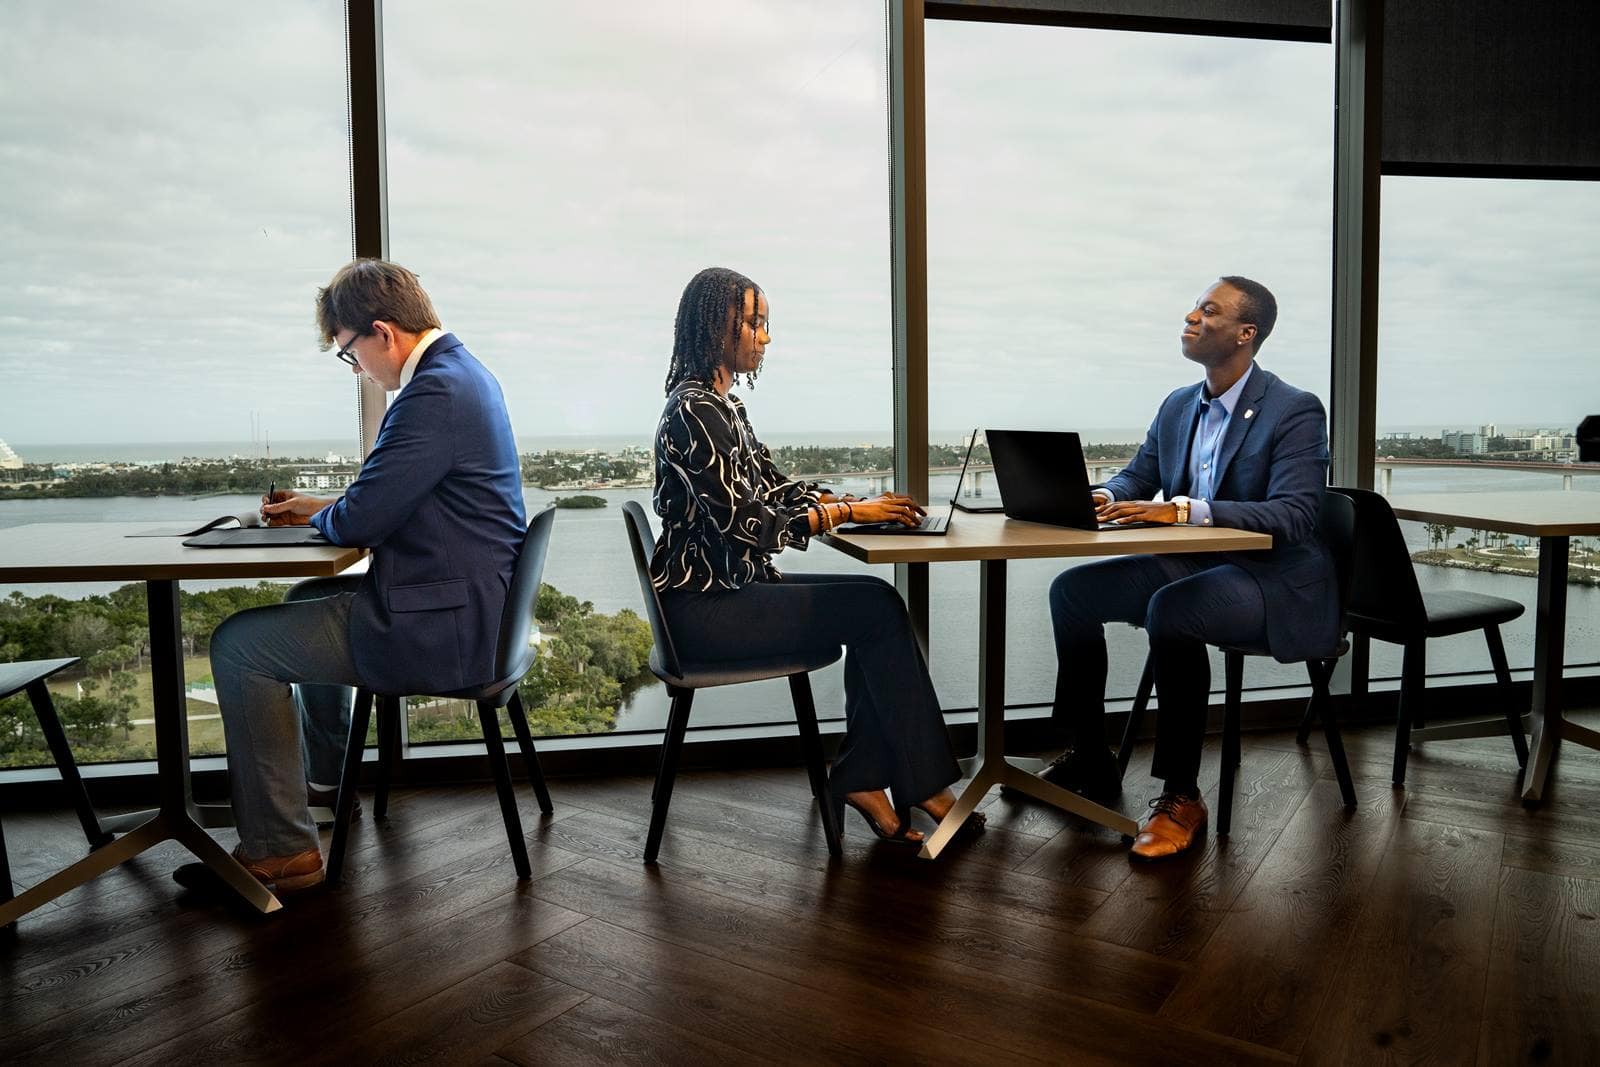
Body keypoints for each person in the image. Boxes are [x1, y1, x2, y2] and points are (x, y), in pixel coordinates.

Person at [194, 259, 526, 893]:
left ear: (382, 332)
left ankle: (281, 851)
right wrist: (324, 508)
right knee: (307, 594)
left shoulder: (433, 393)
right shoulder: (463, 375)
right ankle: (323, 784)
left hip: (446, 627)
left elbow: (364, 519)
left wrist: (333, 515)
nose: (359, 369)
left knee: (238, 647)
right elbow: (395, 495)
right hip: (475, 607)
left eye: (350, 354)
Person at [650, 266, 969, 845]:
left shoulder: (721, 408)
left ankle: (871, 779)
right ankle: (910, 783)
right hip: (703, 610)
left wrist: (856, 502)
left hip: (730, 592)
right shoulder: (694, 412)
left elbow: (773, 491)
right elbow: (749, 524)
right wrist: (846, 515)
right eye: (752, 322)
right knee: (876, 611)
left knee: (877, 604)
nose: (763, 337)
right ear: (714, 326)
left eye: (764, 324)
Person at [1042, 276, 1335, 861]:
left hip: (1270, 576)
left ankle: (1180, 795)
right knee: (1071, 592)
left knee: (1173, 610)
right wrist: (1100, 496)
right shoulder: (1179, 405)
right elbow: (1137, 477)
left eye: (1209, 310)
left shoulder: (1294, 410)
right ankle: (1090, 755)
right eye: (1195, 307)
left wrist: (1182, 509)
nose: (1191, 316)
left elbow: (1297, 515)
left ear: (1246, 333)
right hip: (1193, 561)